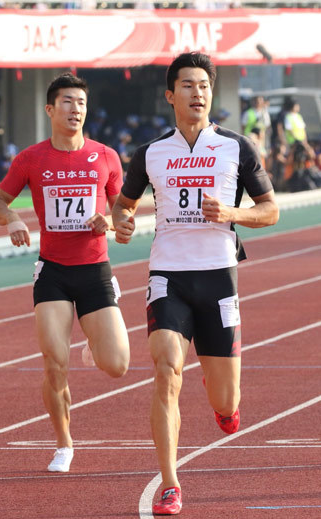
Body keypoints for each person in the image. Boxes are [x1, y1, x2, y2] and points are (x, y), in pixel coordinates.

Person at [112, 52, 279, 515]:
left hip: (218, 278)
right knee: (166, 369)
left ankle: (221, 395)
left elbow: (270, 211)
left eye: (203, 85)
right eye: (187, 85)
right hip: (168, 275)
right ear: (171, 95)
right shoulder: (151, 153)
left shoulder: (236, 147)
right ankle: (169, 483)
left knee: (225, 399)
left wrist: (232, 213)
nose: (197, 93)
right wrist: (122, 222)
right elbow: (123, 205)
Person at [0, 73, 130, 473]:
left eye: (81, 103)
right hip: (53, 272)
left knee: (117, 365)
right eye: (67, 102)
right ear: (50, 109)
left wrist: (110, 218)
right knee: (54, 361)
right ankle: (64, 443)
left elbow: (124, 209)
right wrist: (12, 219)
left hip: (95, 270)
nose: (75, 110)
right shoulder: (31, 159)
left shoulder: (105, 156)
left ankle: (93, 344)